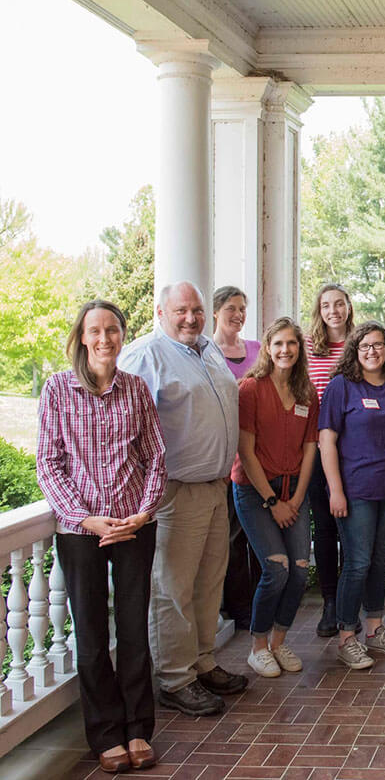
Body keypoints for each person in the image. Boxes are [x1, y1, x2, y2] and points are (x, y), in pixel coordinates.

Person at [37, 300, 166, 772]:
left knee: (133, 632)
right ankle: (106, 733)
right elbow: (48, 463)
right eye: (96, 330)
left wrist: (142, 512)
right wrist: (85, 517)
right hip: (80, 530)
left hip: (134, 527)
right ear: (82, 337)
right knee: (91, 635)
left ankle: (137, 729)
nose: (105, 338)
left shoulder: (135, 388)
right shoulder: (57, 389)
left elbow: (155, 456)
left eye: (112, 329)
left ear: (121, 335)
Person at [119, 281, 246, 716]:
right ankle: (174, 678)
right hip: (175, 492)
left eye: (195, 309)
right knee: (173, 588)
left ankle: (203, 661)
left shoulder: (207, 348)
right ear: (161, 312)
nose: (190, 318)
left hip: (214, 488)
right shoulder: (144, 357)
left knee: (209, 583)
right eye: (180, 311)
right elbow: (123, 429)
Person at [319, 322, 385, 670]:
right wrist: (335, 490)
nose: (372, 351)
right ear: (355, 351)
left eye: (378, 345)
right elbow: (327, 441)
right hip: (356, 490)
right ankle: (348, 637)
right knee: (358, 562)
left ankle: (375, 632)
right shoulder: (341, 387)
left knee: (378, 560)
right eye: (365, 346)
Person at [230, 318, 319, 678]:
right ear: (267, 347)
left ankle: (279, 643)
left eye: (292, 344)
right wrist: (273, 502)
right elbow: (245, 452)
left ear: (300, 349)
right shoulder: (250, 389)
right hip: (256, 492)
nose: (285, 350)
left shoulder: (306, 393)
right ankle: (258, 646)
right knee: (276, 569)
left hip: (293, 490)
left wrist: (296, 499)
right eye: (278, 343)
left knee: (299, 572)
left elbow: (310, 448)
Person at [305, 283, 354, 637]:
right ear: (319, 310)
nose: (333, 310)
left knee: (351, 528)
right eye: (326, 305)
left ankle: (353, 599)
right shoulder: (308, 346)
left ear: (349, 307)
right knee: (323, 528)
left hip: (354, 450)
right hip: (315, 448)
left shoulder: (360, 344)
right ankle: (330, 603)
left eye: (339, 304)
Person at [212, 285, 262, 632]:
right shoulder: (206, 352)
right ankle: (238, 606)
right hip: (223, 455)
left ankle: (264, 602)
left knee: (261, 531)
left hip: (259, 454)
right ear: (216, 312)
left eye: (242, 308)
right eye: (231, 308)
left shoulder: (258, 350)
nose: (238, 315)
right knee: (231, 535)